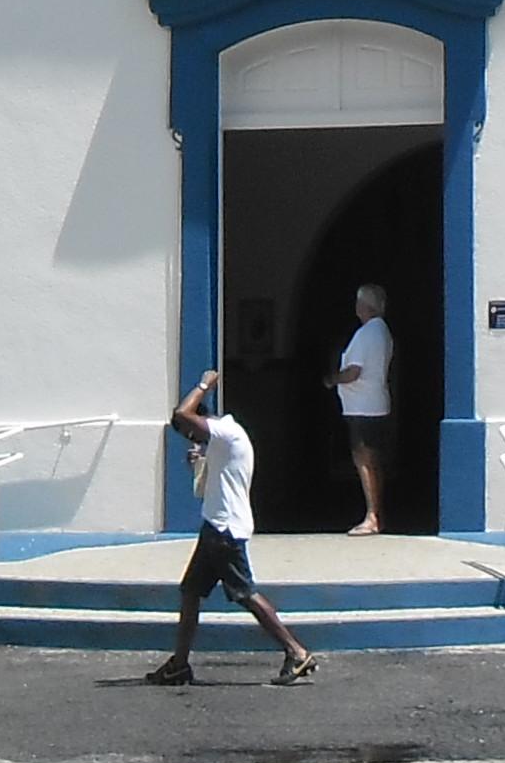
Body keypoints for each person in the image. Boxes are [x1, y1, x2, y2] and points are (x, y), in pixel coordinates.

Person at [149, 368, 314, 686]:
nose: (192, 439)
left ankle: (296, 651)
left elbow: (182, 413)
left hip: (224, 530)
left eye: (191, 434)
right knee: (191, 591)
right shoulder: (223, 440)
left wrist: (204, 385)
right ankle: (179, 664)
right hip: (215, 526)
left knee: (245, 593)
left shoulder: (226, 434)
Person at [333, 283, 399, 536]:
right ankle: (377, 515)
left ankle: (372, 516)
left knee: (365, 462)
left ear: (363, 305)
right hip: (374, 404)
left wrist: (331, 379)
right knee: (374, 462)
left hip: (362, 407)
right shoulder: (382, 332)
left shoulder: (366, 334)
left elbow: (353, 372)